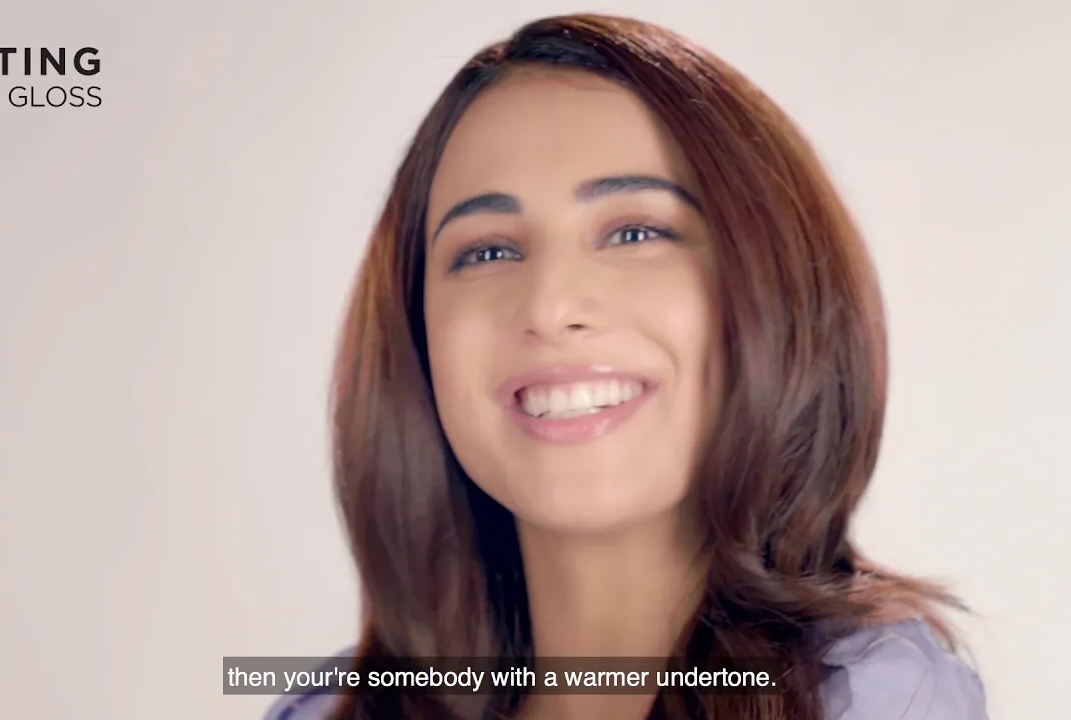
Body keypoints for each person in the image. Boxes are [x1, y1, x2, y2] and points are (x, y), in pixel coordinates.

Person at [270, 12, 987, 720]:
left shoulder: (882, 701)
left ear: (776, 288)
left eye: (636, 232)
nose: (551, 307)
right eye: (487, 250)